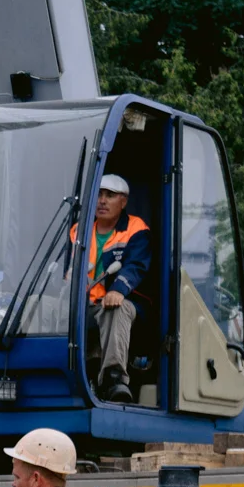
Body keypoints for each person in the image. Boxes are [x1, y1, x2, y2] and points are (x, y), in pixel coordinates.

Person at [74, 173, 150, 404]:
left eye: (110, 195)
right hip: (83, 305)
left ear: (123, 202)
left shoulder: (136, 229)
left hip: (124, 303)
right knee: (40, 303)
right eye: (98, 194)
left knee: (115, 308)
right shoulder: (78, 229)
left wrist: (118, 289)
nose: (102, 200)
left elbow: (136, 266)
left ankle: (114, 379)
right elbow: (65, 268)